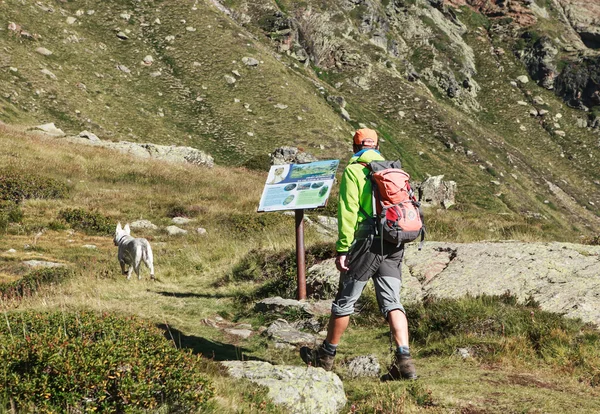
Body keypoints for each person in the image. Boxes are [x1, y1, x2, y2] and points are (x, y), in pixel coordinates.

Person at [300, 128, 417, 380]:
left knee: (345, 300)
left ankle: (326, 356)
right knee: (392, 302)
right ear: (376, 146)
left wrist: (343, 248)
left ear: (355, 147)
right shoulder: (391, 169)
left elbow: (348, 212)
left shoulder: (354, 171)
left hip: (366, 242)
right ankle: (404, 362)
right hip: (394, 240)